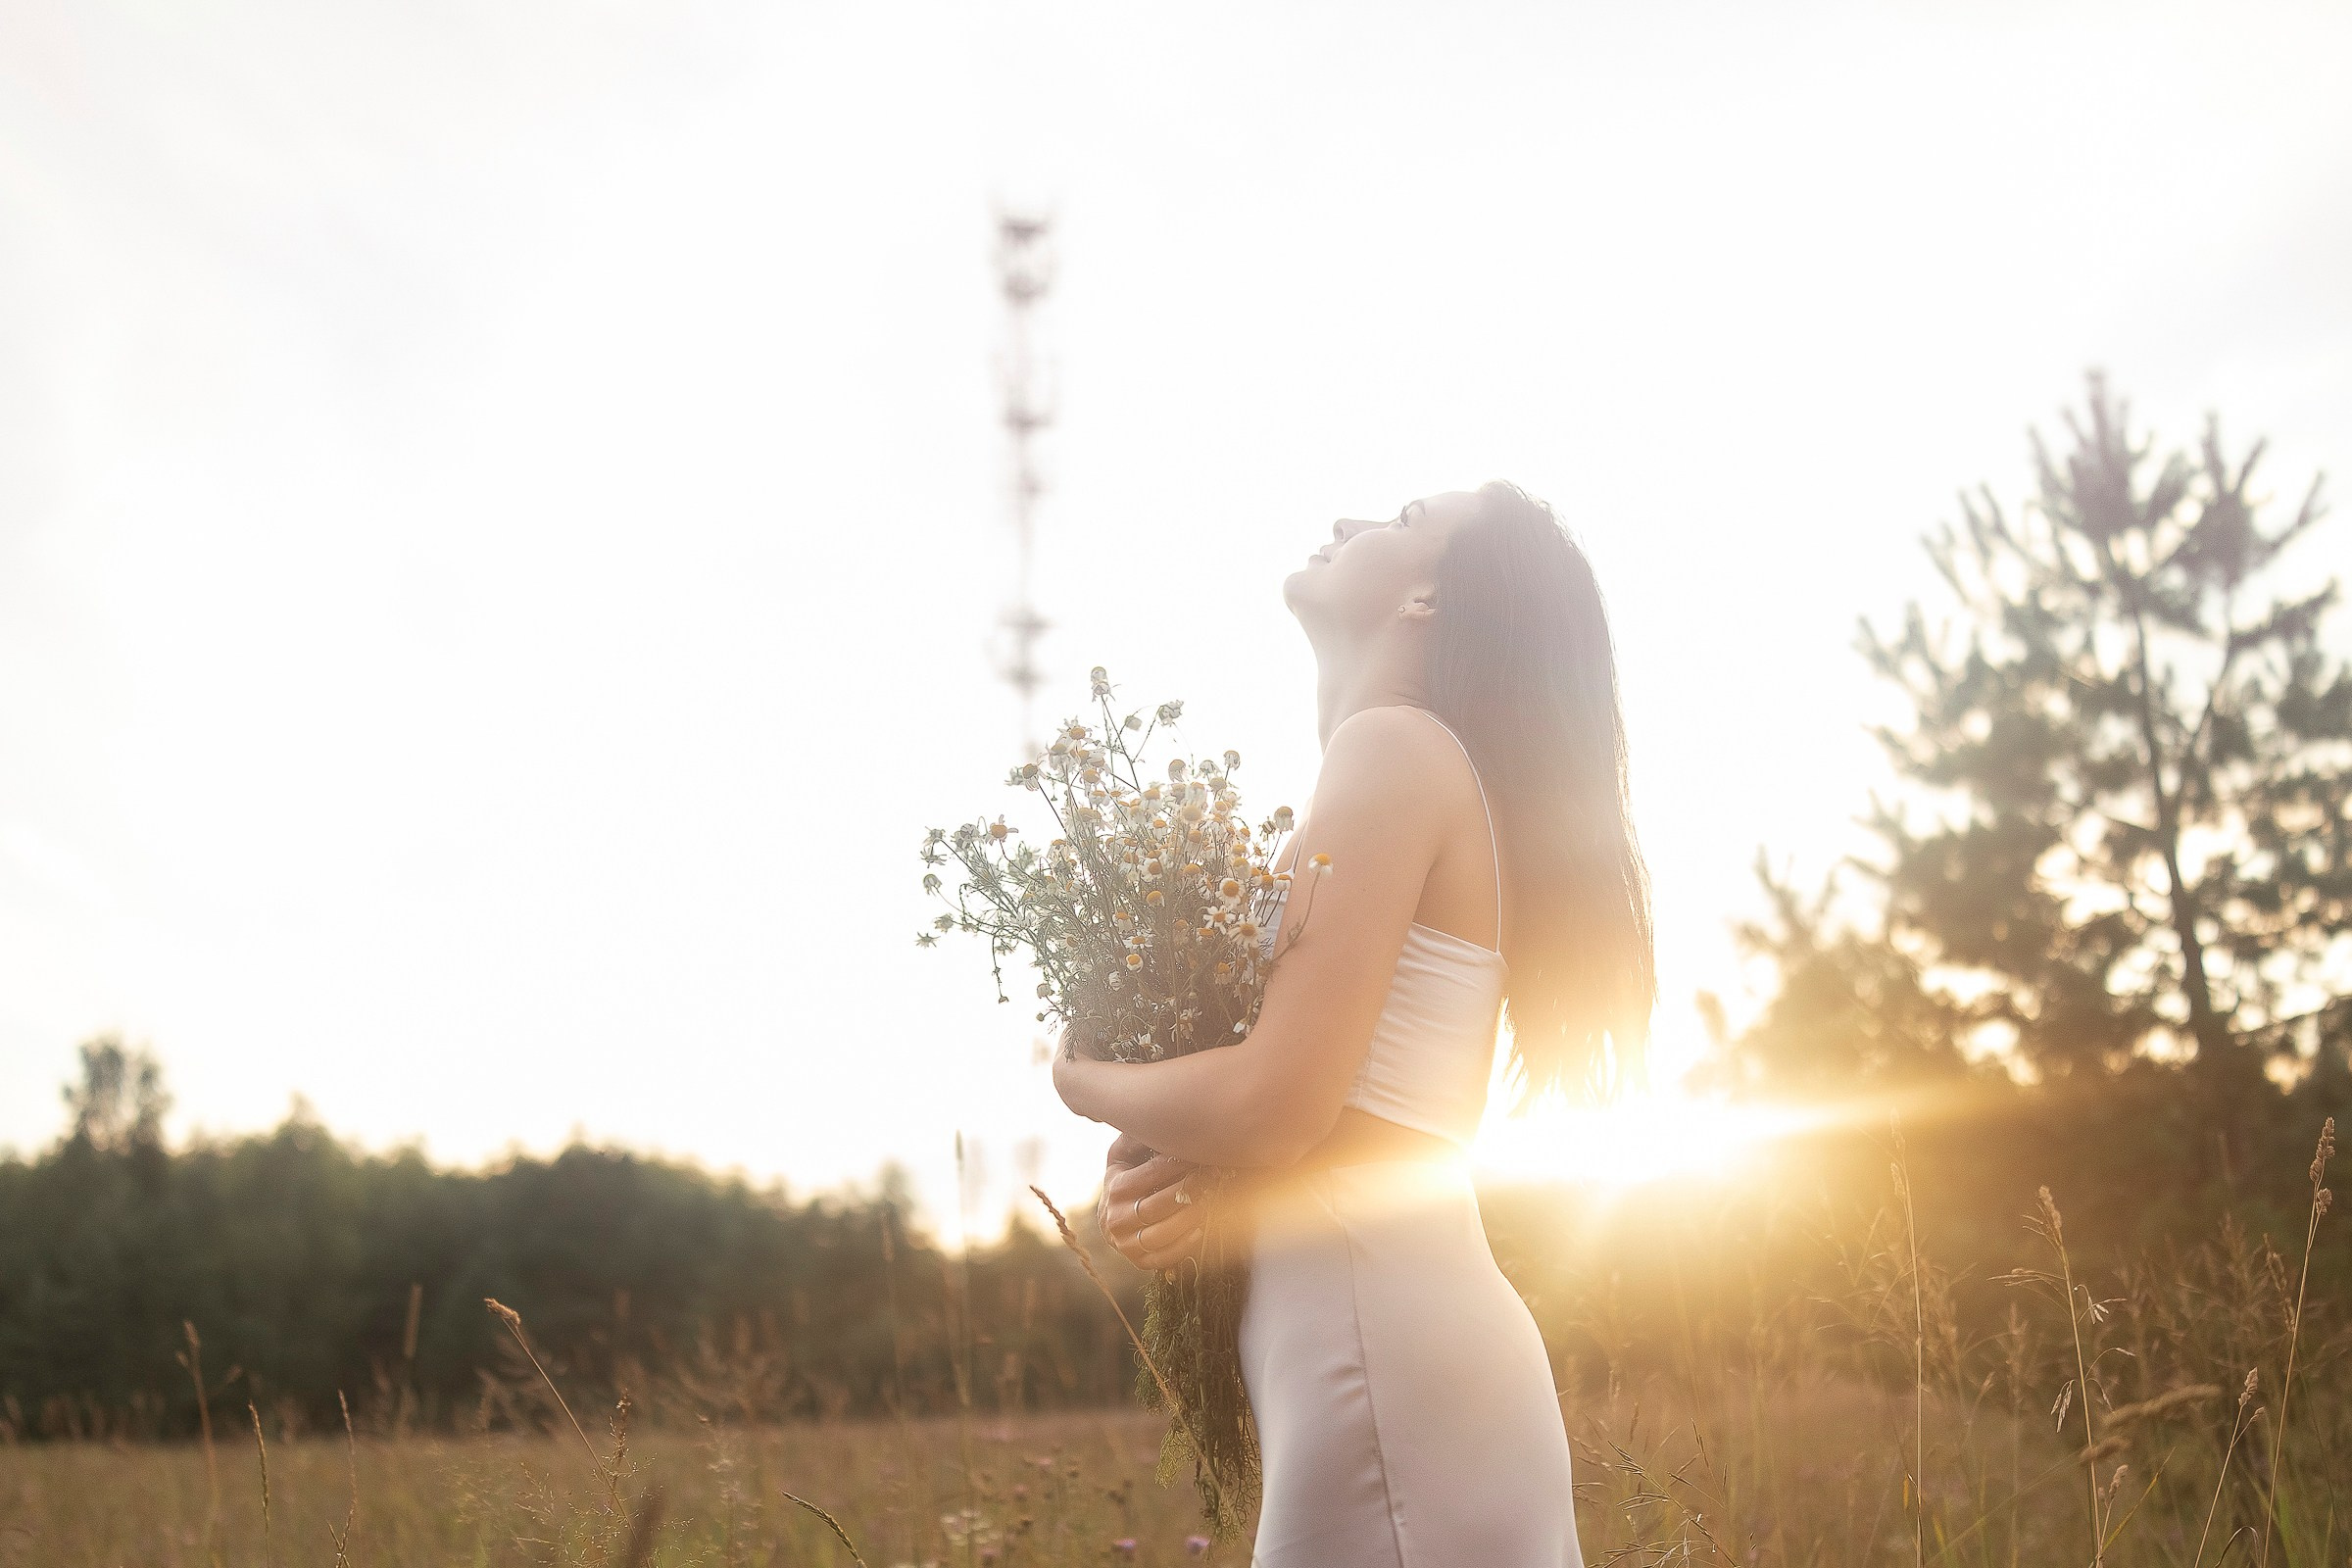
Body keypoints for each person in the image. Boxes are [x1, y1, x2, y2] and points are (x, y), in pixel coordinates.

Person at [1052, 481, 1655, 1567]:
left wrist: (1083, 1079)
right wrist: (1191, 1180)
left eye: (1401, 515)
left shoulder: (1397, 749)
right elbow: (1330, 1110)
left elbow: (1277, 1102)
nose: (1345, 522)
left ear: (1427, 594)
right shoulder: (1414, 767)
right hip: (1383, 1346)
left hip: (1380, 1355)